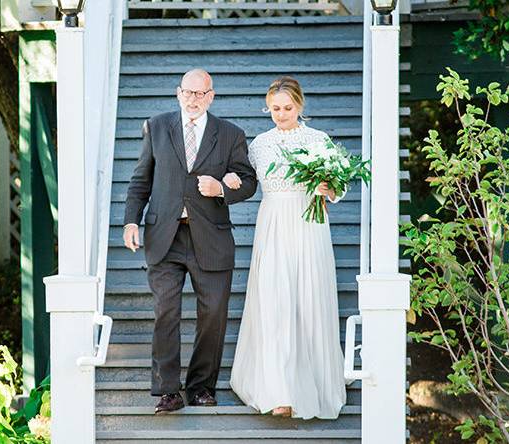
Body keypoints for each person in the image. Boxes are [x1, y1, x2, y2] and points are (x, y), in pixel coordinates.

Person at [123, 68, 257, 414]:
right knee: (165, 311)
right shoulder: (156, 127)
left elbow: (248, 180)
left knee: (212, 313)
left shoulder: (230, 134)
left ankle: (201, 387)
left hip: (210, 237)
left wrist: (222, 189)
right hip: (164, 236)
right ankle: (168, 390)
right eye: (187, 92)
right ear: (177, 93)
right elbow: (141, 180)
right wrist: (130, 222)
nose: (193, 99)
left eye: (200, 94)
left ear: (211, 96)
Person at [228, 76, 347, 419]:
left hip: (308, 226)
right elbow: (246, 179)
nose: (281, 114)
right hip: (273, 224)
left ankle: (312, 383)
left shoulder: (317, 140)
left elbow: (337, 187)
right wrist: (232, 181)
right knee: (275, 301)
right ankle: (279, 390)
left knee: (307, 299)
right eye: (275, 109)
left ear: (300, 106)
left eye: (287, 108)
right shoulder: (260, 144)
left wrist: (329, 189)